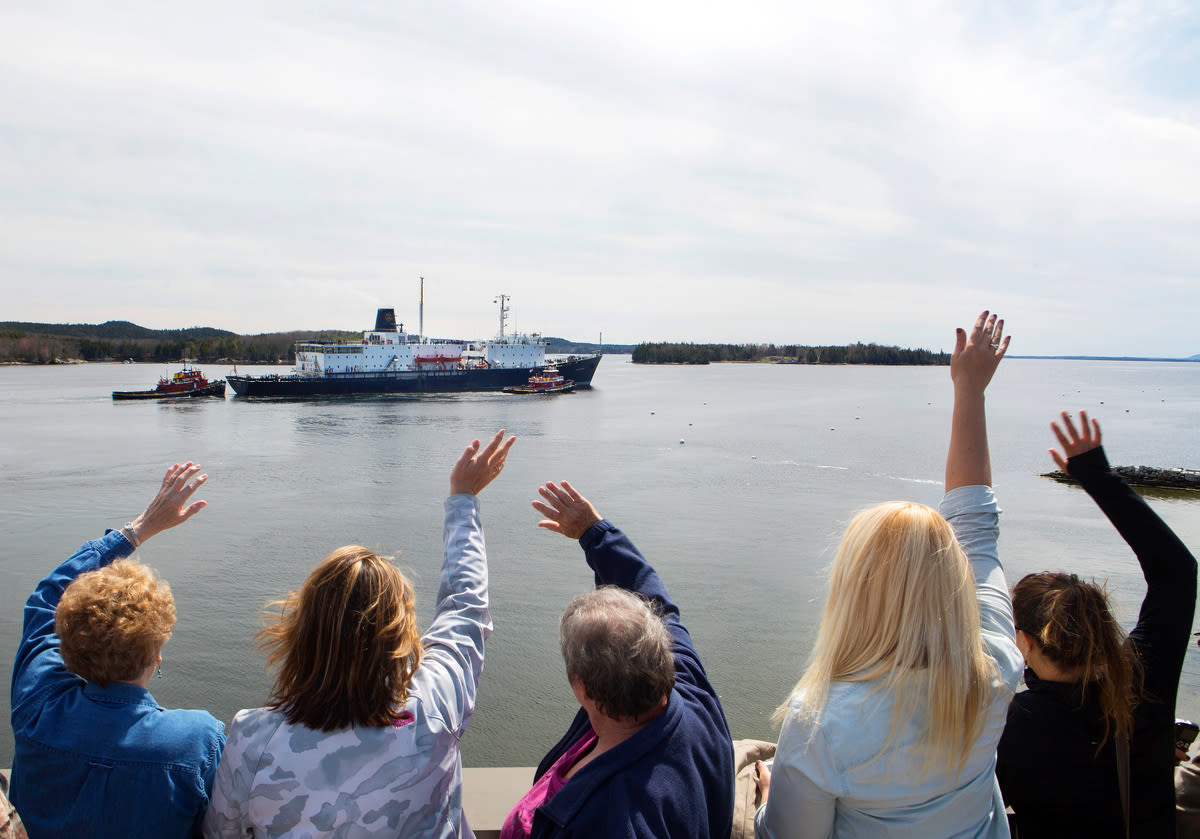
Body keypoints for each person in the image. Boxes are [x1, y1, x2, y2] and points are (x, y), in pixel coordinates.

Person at [754, 311, 1024, 838]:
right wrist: (971, 390)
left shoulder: (821, 725)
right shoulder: (994, 667)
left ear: (853, 591)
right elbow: (975, 520)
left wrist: (769, 799)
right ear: (955, 584)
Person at [202, 429, 515, 839]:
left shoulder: (253, 739)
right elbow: (466, 604)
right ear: (401, 635)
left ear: (303, 633)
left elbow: (219, 833)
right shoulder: (435, 707)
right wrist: (463, 499)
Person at [996, 411, 1198, 838]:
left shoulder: (1014, 724)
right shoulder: (1142, 678)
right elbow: (1176, 572)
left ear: (1024, 641)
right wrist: (1099, 477)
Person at [500, 480, 735, 838]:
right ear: (663, 655)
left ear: (582, 689)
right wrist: (594, 533)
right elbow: (656, 600)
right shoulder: (693, 695)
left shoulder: (608, 820)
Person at [9, 462, 225, 839]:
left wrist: (139, 529)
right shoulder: (197, 740)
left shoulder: (38, 708)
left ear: (70, 648)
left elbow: (46, 601)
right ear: (157, 654)